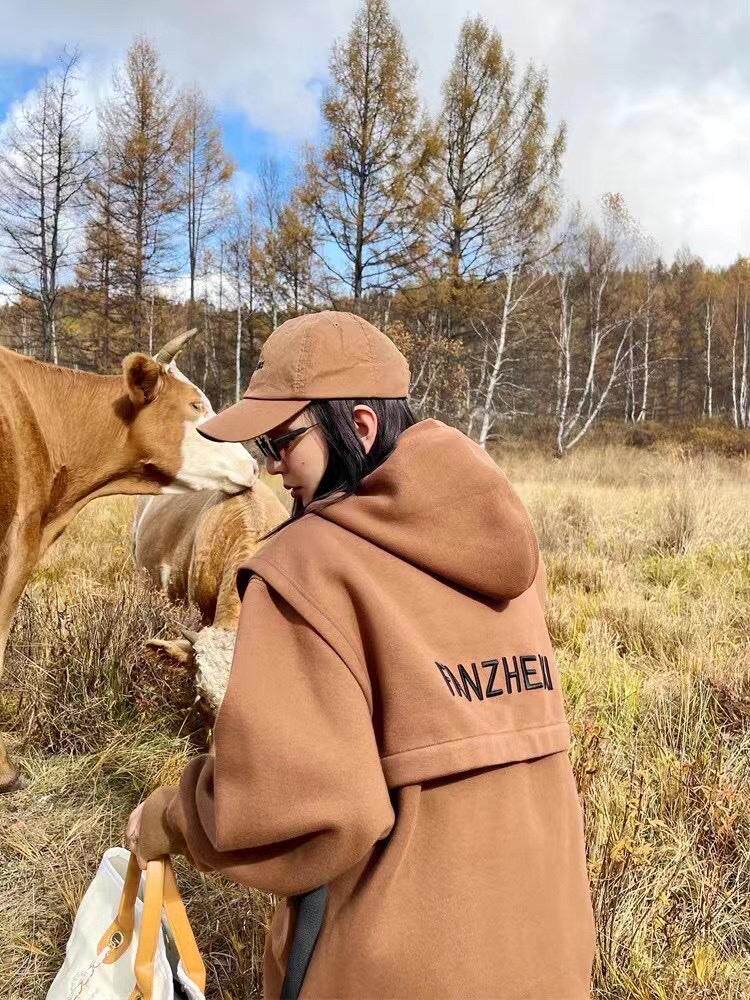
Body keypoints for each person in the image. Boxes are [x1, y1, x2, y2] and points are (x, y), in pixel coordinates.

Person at [127, 310, 596, 1000]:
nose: (270, 466)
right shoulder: (510, 562)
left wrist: (173, 817)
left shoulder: (306, 567)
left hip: (398, 968)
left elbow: (300, 810)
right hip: (552, 948)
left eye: (282, 441)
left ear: (362, 428)